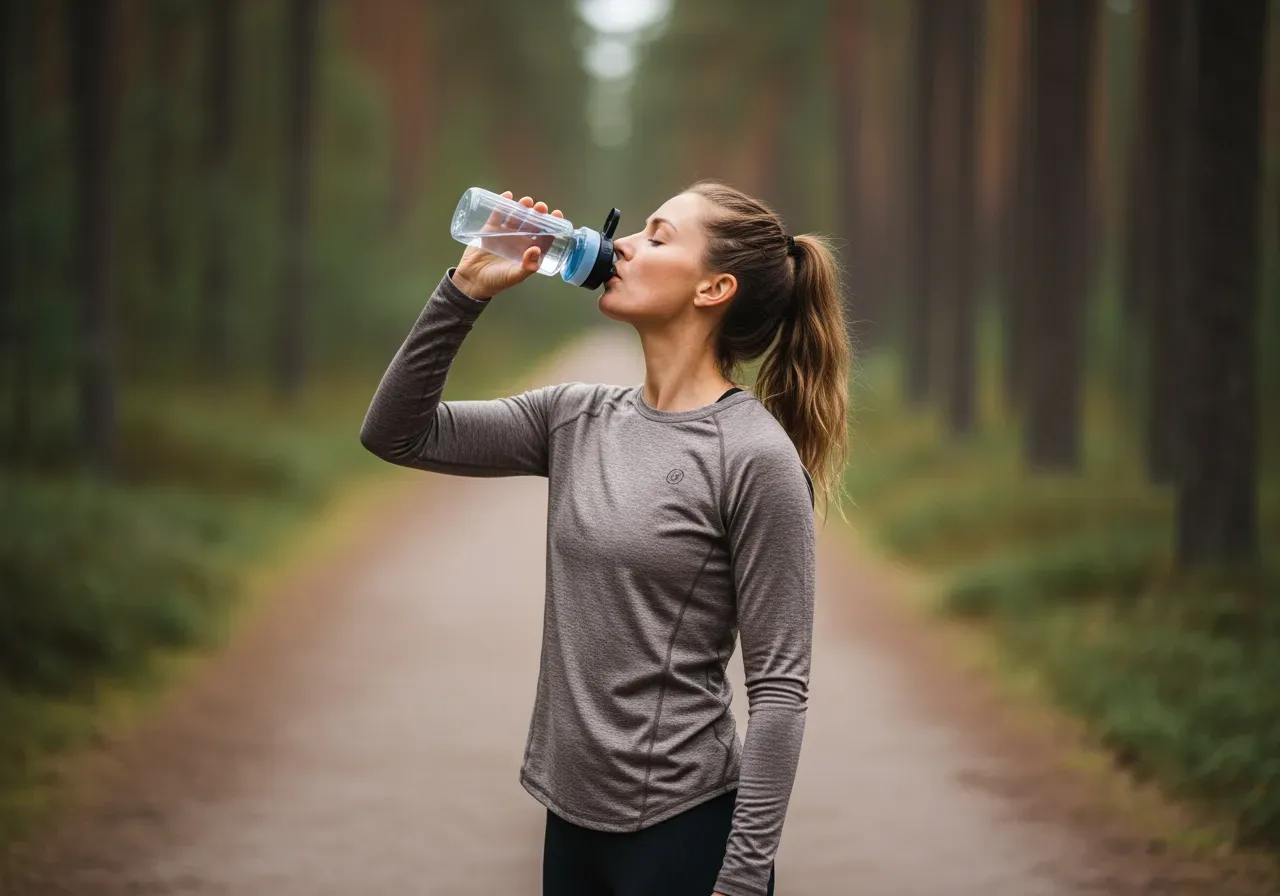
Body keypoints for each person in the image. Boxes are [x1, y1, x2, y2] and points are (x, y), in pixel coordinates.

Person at [359, 181, 851, 896]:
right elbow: (397, 433)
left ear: (713, 287)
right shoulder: (575, 417)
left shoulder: (754, 457)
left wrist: (741, 880)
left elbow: (779, 689)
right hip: (572, 824)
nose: (620, 243)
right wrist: (465, 291)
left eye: (657, 236)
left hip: (684, 834)